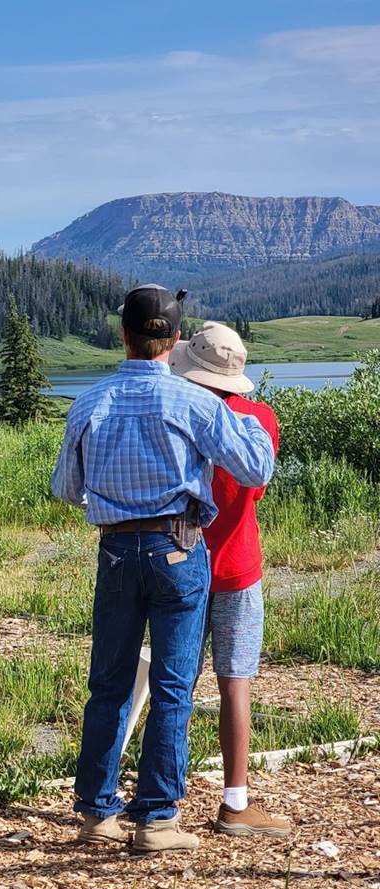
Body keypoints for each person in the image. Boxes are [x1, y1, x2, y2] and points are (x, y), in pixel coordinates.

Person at [51, 285, 275, 854]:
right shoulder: (194, 404)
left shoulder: (89, 403)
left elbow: (65, 490)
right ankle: (156, 819)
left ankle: (98, 812)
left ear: (123, 335)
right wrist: (248, 417)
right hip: (179, 549)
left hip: (116, 550)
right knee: (174, 685)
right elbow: (253, 467)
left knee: (109, 682)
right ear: (173, 340)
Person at [169, 322, 289, 838]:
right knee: (235, 683)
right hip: (240, 565)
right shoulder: (259, 418)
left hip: (182, 560)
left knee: (176, 684)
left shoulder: (181, 415)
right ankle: (235, 801)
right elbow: (254, 491)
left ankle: (161, 800)